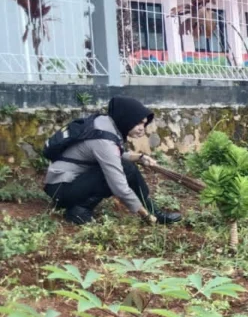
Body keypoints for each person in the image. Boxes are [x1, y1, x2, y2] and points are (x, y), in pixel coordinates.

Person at [42, 96, 181, 225]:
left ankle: (153, 209)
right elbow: (119, 186)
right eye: (138, 122)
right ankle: (78, 210)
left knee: (128, 167)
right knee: (124, 170)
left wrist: (140, 157)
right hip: (61, 189)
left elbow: (113, 155)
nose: (141, 129)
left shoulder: (105, 123)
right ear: (126, 117)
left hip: (68, 183)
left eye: (144, 124)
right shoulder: (103, 139)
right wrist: (146, 216)